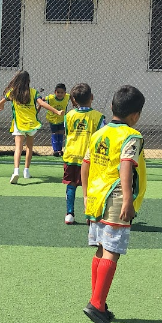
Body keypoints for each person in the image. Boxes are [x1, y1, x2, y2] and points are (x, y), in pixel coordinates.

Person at [81, 85, 146, 323]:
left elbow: (86, 164)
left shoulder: (99, 133)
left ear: (111, 107)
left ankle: (98, 301)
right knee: (112, 250)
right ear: (136, 115)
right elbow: (126, 165)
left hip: (96, 197)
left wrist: (86, 195)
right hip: (116, 196)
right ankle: (96, 305)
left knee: (101, 248)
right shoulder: (132, 136)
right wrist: (128, 198)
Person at [0, 70, 63, 184]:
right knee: (29, 147)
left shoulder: (13, 92)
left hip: (19, 123)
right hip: (31, 123)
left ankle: (16, 171)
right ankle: (26, 171)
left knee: (18, 147)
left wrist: (0, 105)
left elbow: (2, 101)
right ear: (28, 81)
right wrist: (57, 111)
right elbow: (42, 103)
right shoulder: (33, 92)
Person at [61, 83, 105, 225]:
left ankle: (69, 214)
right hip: (90, 158)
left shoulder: (68, 116)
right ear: (92, 97)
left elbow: (67, 133)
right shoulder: (98, 117)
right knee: (91, 186)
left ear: (74, 100)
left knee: (71, 184)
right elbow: (102, 136)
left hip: (71, 156)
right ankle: (90, 214)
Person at [44, 83, 69, 156]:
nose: (60, 94)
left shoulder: (67, 97)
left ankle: (60, 150)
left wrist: (74, 102)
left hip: (61, 119)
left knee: (61, 133)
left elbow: (72, 96)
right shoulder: (51, 98)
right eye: (58, 92)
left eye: (62, 92)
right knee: (55, 133)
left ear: (65, 93)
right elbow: (41, 100)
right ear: (55, 92)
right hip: (53, 119)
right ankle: (55, 150)